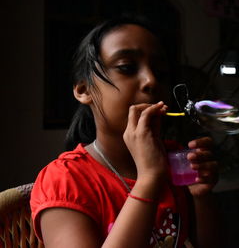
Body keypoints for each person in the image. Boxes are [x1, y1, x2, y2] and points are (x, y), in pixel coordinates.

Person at [30, 15, 222, 248]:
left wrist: (201, 196)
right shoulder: (65, 181)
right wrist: (149, 179)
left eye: (161, 73)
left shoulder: (175, 159)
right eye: (127, 68)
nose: (151, 81)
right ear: (83, 90)